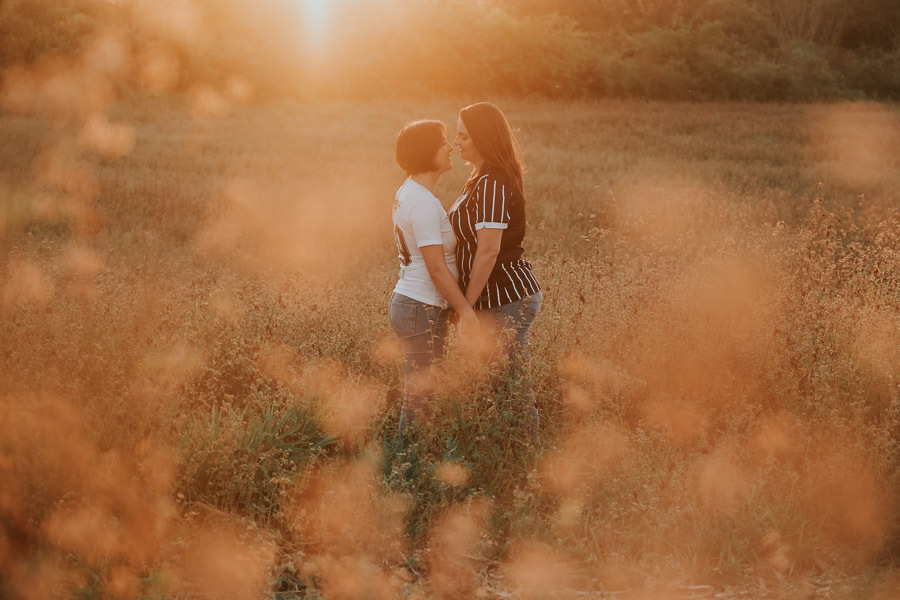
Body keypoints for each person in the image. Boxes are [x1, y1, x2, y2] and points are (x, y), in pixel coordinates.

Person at [449, 102, 542, 429]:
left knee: (511, 386)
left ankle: (527, 449)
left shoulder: (492, 182)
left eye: (463, 136)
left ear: (483, 138)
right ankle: (509, 444)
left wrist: (466, 306)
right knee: (498, 382)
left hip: (505, 297)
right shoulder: (479, 178)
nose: (456, 143)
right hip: (493, 297)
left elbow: (488, 250)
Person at [390, 119, 477, 433]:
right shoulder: (422, 202)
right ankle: (407, 460)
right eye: (443, 142)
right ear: (426, 150)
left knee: (422, 394)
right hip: (420, 307)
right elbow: (436, 268)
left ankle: (412, 455)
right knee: (420, 398)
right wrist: (466, 311)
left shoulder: (411, 192)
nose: (450, 147)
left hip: (417, 305)